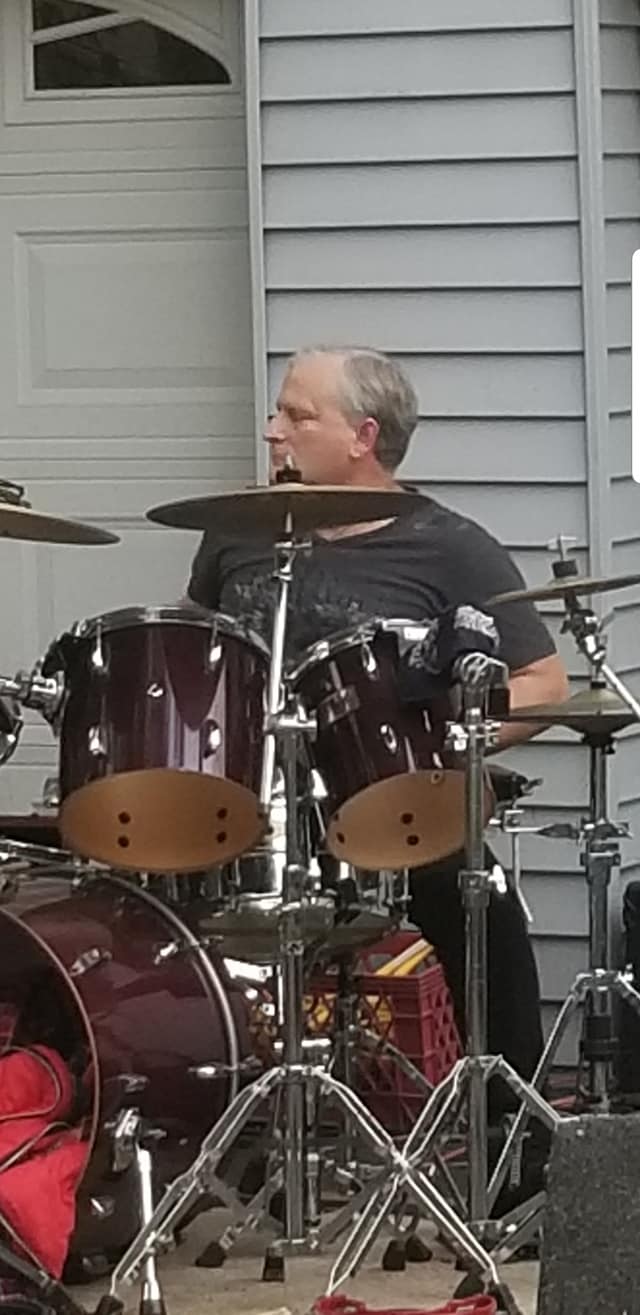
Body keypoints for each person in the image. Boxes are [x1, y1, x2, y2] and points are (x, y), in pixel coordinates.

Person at [186, 345, 569, 1110]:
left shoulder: (449, 546)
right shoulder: (235, 532)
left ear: (364, 436)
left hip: (385, 800)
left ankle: (513, 1132)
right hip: (247, 804)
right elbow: (197, 655)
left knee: (482, 905)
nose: (272, 430)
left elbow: (544, 683)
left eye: (297, 415)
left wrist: (445, 748)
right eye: (278, 412)